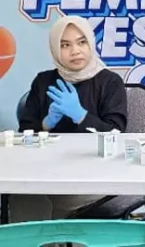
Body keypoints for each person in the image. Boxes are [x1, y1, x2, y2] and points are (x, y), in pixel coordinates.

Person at [12, 15, 128, 223]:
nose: (75, 51)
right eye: (65, 45)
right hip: (47, 170)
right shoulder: (43, 81)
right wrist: (46, 124)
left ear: (91, 43)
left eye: (81, 42)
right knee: (23, 194)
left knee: (53, 200)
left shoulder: (110, 82)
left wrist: (81, 116)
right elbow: (25, 132)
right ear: (55, 50)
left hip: (95, 173)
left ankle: (58, 235)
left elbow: (116, 135)